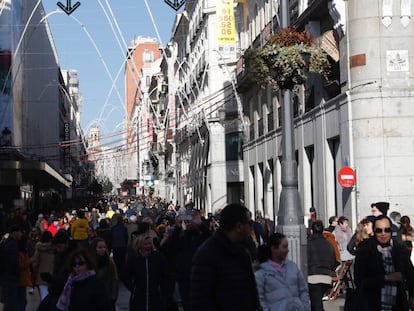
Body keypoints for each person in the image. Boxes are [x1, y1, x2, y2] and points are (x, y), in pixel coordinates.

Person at [190, 203, 262, 311]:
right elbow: (200, 299)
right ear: (239, 227)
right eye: (249, 223)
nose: (251, 227)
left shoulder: (243, 253)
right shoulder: (207, 255)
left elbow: (251, 293)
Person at [354, 215, 414, 311]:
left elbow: (410, 274)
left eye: (387, 230)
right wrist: (385, 278)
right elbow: (359, 280)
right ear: (374, 231)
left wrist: (411, 295)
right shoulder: (365, 250)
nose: (383, 233)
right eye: (379, 230)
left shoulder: (400, 249)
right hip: (373, 303)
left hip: (397, 303)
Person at [255, 232, 309, 311]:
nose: (287, 250)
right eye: (284, 247)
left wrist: (305, 307)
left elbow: (303, 290)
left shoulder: (293, 267)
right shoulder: (261, 273)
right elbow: (259, 298)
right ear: (273, 248)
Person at [121, 234, 169, 311]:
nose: (148, 246)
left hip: (155, 295)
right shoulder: (134, 258)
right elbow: (125, 275)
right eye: (145, 244)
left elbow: (166, 274)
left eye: (149, 243)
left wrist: (163, 289)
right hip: (139, 295)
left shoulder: (158, 257)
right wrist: (133, 288)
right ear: (140, 245)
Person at [307, 220, 337, 311]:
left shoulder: (308, 244)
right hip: (326, 277)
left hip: (312, 276)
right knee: (317, 302)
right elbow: (333, 262)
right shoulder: (328, 244)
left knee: (316, 304)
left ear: (311, 231)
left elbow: (305, 260)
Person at [89, 237, 118, 310]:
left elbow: (114, 279)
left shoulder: (109, 262)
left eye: (104, 247)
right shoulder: (89, 263)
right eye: (100, 247)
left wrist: (113, 298)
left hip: (107, 299)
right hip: (93, 300)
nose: (103, 249)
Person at [0, 225, 24, 311]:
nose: (21, 234)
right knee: (10, 303)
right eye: (20, 232)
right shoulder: (12, 245)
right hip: (10, 278)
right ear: (15, 233)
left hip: (6, 277)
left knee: (9, 302)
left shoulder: (7, 243)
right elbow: (12, 263)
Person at [32, 230, 55, 301]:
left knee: (44, 299)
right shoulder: (55, 249)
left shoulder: (39, 248)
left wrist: (34, 273)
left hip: (41, 275)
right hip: (53, 276)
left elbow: (35, 262)